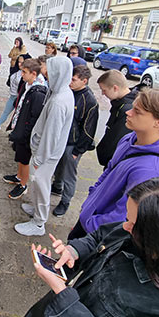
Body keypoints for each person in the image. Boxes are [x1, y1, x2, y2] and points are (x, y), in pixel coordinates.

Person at [24, 176, 159, 317]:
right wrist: (74, 251)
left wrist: (63, 295)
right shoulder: (136, 231)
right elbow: (99, 237)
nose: (124, 226)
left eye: (132, 223)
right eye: (127, 219)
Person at [69, 88, 159, 240]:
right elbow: (108, 171)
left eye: (137, 111)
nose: (128, 112)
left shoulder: (154, 170)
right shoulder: (130, 138)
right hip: (89, 221)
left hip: (98, 236)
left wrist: (90, 225)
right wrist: (88, 207)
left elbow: (125, 216)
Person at [14, 57, 74, 236]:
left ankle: (38, 223)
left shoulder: (58, 102)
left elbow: (51, 135)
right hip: (46, 152)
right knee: (40, 185)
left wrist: (39, 158)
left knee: (41, 184)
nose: (46, 74)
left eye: (49, 71)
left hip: (46, 154)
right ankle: (38, 210)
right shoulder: (61, 92)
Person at [51, 65, 99, 217]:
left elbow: (89, 129)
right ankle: (57, 187)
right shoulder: (69, 92)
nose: (70, 82)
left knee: (69, 174)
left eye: (73, 80)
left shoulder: (89, 100)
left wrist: (78, 151)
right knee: (58, 167)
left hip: (73, 145)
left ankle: (65, 201)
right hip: (62, 140)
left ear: (84, 81)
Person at [4, 59, 48, 199]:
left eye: (24, 72)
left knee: (24, 159)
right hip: (20, 128)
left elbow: (35, 117)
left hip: (26, 134)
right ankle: (18, 176)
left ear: (33, 74)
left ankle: (23, 185)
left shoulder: (38, 92)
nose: (21, 74)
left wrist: (26, 135)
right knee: (19, 156)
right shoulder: (28, 84)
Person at [95, 70, 138, 168]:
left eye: (104, 90)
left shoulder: (126, 111)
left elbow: (117, 141)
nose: (102, 94)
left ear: (115, 88)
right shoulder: (120, 104)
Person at [0, 53, 31, 131]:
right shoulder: (16, 71)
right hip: (12, 96)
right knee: (6, 112)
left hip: (19, 98)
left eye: (22, 62)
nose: (19, 64)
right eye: (19, 62)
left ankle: (15, 131)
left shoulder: (27, 74)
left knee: (18, 116)